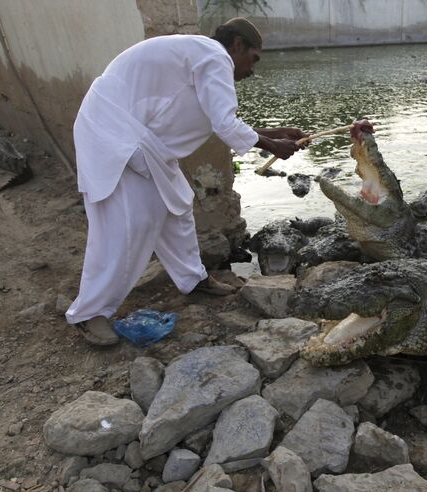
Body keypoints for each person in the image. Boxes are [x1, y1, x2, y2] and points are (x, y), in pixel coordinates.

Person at [66, 18, 306, 346]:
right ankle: (88, 313)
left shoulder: (201, 56)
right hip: (114, 131)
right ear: (237, 46)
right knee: (128, 222)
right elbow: (224, 122)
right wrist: (274, 146)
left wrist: (273, 135)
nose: (253, 68)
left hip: (138, 137)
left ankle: (193, 280)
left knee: (176, 203)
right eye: (254, 58)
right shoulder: (215, 57)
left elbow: (217, 118)